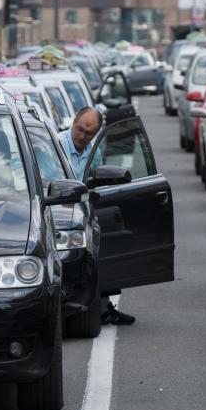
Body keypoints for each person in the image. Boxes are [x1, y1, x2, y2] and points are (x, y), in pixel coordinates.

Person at [58, 107, 132, 325]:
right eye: (80, 129)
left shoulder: (93, 151)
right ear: (73, 123)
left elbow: (98, 183)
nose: (82, 136)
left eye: (89, 133)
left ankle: (103, 306)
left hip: (84, 214)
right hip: (60, 213)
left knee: (108, 238)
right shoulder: (57, 145)